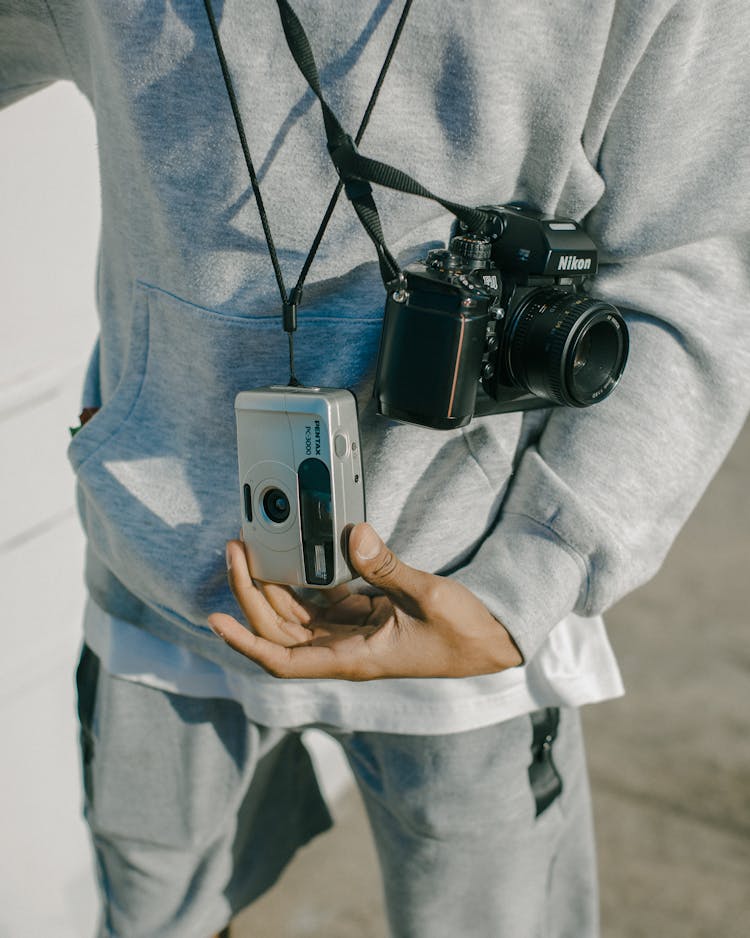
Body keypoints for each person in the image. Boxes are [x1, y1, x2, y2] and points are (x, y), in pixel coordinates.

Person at [2, 1, 749, 936]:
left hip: (460, 597)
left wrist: (538, 571)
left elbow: (696, 267)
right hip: (159, 578)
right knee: (154, 914)